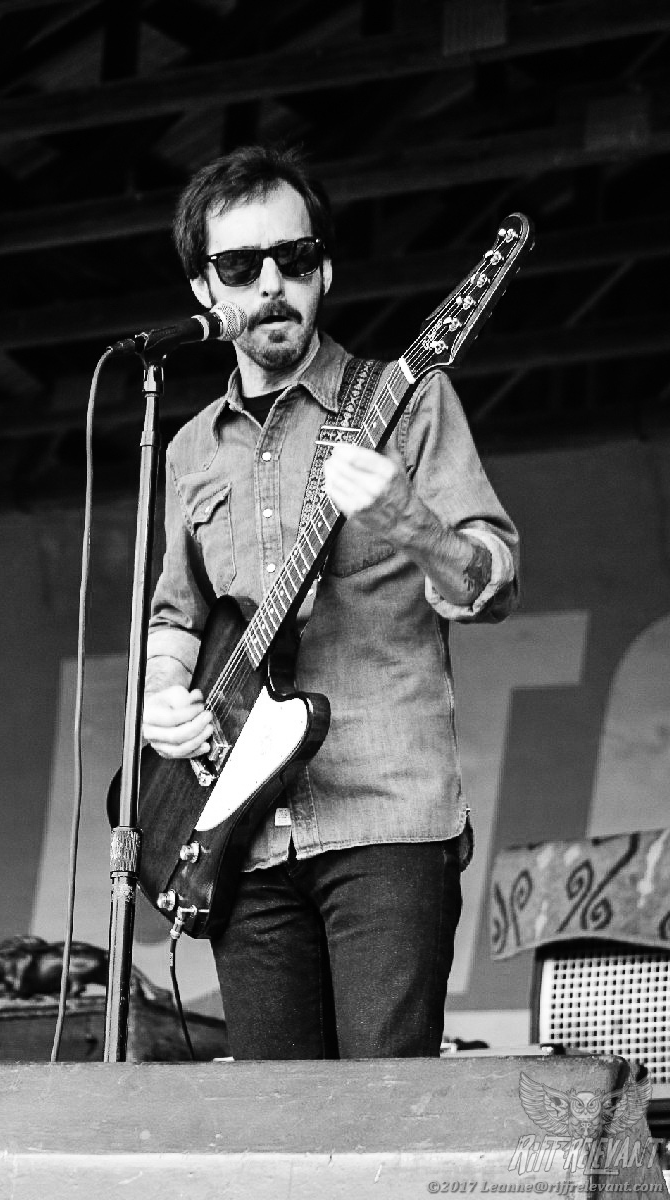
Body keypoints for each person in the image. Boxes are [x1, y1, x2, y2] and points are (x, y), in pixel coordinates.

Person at [142, 144, 519, 1060]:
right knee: (276, 1122)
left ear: (327, 270)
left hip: (385, 818)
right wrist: (161, 696)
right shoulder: (191, 448)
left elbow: (494, 583)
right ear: (204, 290)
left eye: (296, 258)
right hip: (239, 833)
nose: (273, 284)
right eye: (242, 266)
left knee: (383, 1112)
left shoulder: (407, 400)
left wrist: (410, 524)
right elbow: (176, 615)